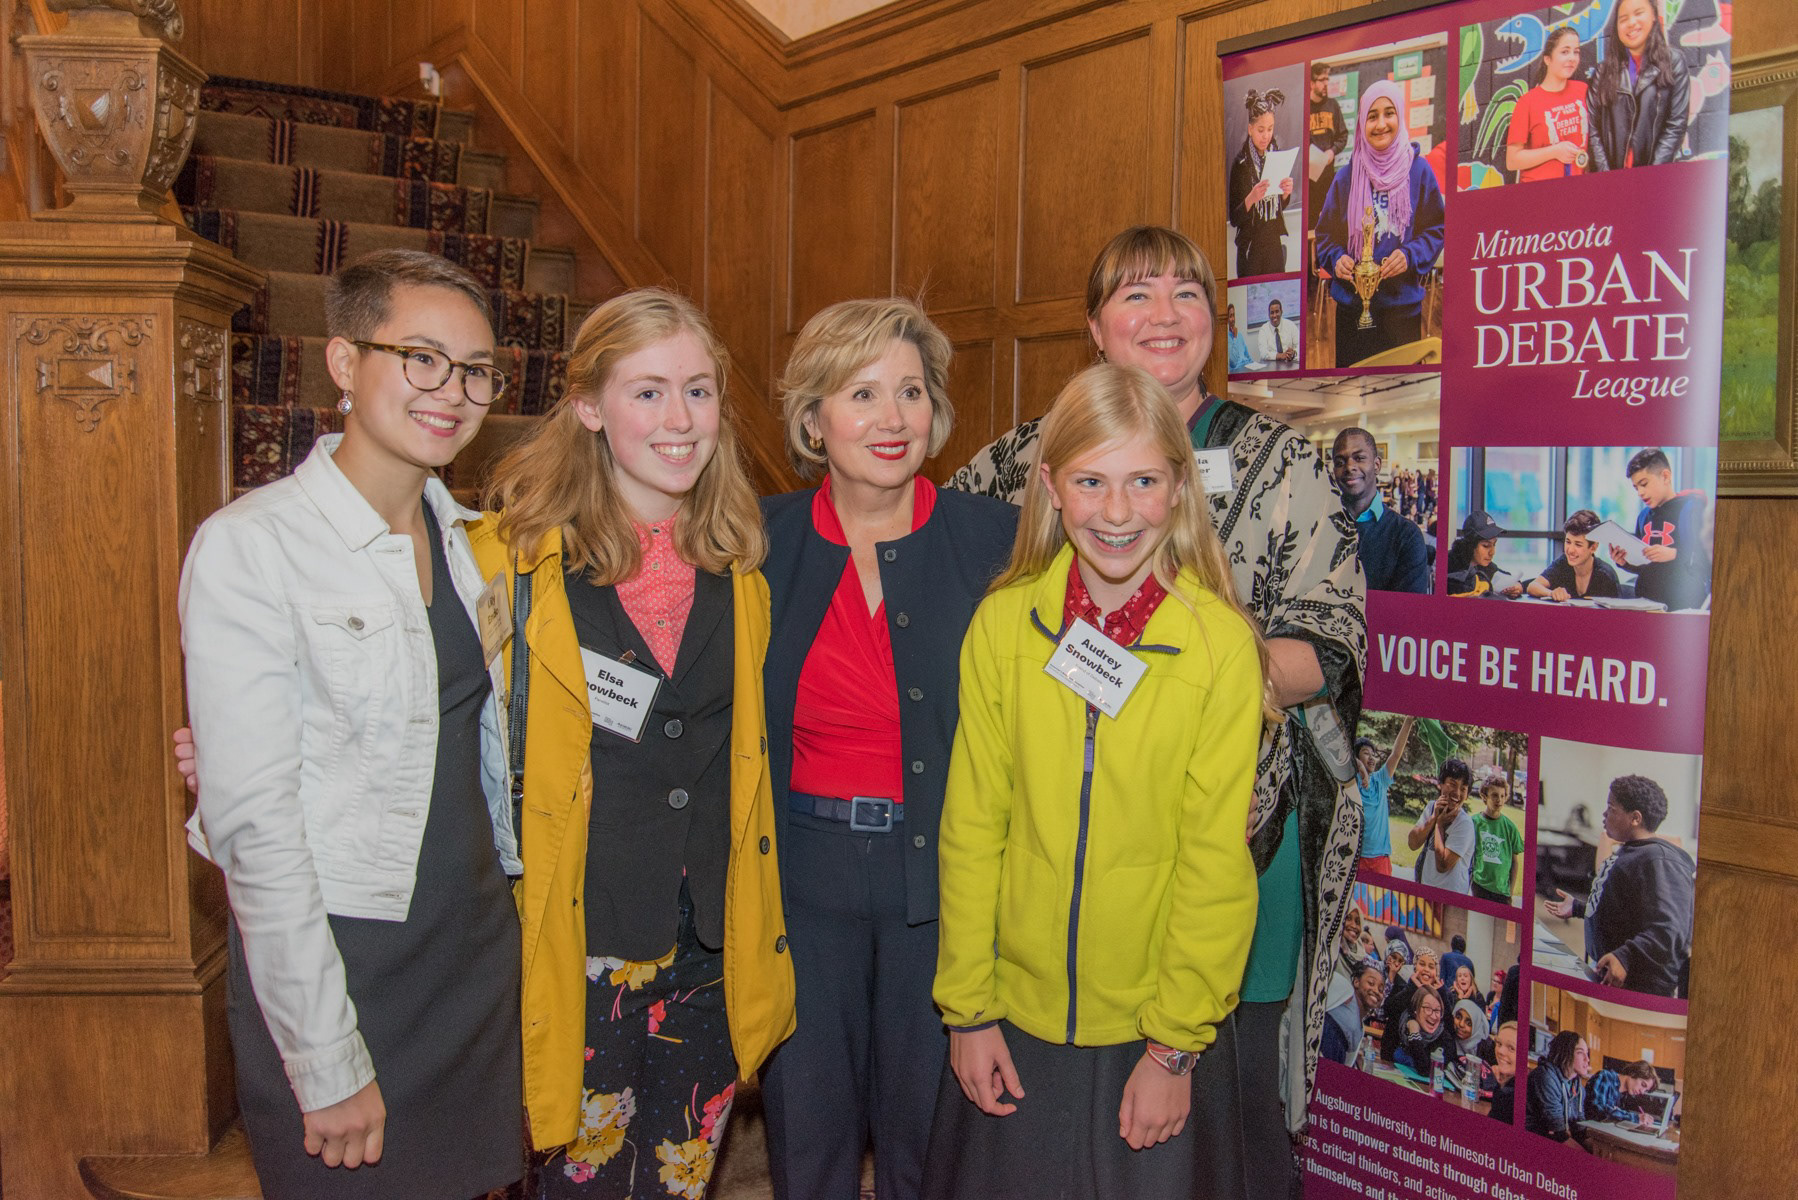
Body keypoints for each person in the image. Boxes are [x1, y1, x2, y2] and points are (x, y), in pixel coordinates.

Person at [948, 226, 1364, 1192]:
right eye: (1135, 295)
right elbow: (957, 575)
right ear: (1095, 328)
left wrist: (1187, 669)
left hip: (1232, 823)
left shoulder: (1283, 461)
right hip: (1050, 855)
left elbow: (1334, 646)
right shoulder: (1029, 452)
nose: (1164, 314)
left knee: (1220, 1124)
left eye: (1185, 293)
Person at [178, 250, 527, 1197]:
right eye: (421, 358)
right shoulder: (253, 547)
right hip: (345, 957)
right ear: (343, 361)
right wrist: (324, 1056)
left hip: (469, 947)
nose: (452, 392)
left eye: (476, 370)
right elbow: (257, 829)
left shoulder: (470, 542)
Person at [475, 288, 795, 1195]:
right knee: (577, 1182)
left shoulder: (746, 567)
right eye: (647, 392)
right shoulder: (512, 560)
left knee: (678, 1179)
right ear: (588, 406)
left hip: (712, 947)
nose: (679, 419)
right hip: (581, 939)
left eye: (698, 390)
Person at [925, 363, 1270, 1199]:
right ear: (1050, 488)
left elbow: (1214, 864)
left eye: (1143, 481)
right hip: (1014, 1014)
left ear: (1179, 490)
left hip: (1151, 1025)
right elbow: (972, 827)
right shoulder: (1003, 625)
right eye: (1091, 482)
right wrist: (968, 1010)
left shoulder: (1220, 648)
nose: (1117, 512)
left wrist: (1173, 1047)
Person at [756, 299, 1018, 1200]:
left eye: (910, 391)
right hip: (801, 884)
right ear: (814, 419)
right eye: (861, 393)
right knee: (808, 1145)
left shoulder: (998, 540)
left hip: (944, 884)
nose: (892, 416)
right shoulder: (756, 541)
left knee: (931, 1148)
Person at [1314, 80, 1447, 365]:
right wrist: (1337, 259)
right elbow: (1325, 237)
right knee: (1352, 387)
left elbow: (1437, 229)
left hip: (1401, 311)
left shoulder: (1419, 171)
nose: (1381, 124)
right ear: (1362, 123)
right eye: (1372, 116)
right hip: (1352, 313)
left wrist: (1409, 255)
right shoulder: (1346, 177)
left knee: (1399, 388)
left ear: (1400, 115)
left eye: (1389, 113)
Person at [1545, 775, 1695, 996]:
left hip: (1638, 986)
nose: (1604, 814)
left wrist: (1626, 956)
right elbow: (1625, 909)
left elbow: (1669, 928)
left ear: (1635, 818)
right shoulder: (1634, 852)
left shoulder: (1660, 860)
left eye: (1611, 808)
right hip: (1612, 973)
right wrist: (1579, 907)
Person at [1587, 0, 1691, 172]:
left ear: (1653, 16)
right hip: (1612, 179)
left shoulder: (1674, 62)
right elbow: (1593, 130)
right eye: (1623, 19)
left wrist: (1650, 176)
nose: (1631, 23)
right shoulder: (1602, 72)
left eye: (1638, 13)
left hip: (1654, 178)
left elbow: (1676, 125)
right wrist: (1607, 177)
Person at [1610, 447, 1711, 610]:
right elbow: (1644, 565)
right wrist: (1624, 562)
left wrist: (1674, 554)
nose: (1640, 492)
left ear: (1665, 476)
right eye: (1636, 487)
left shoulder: (1692, 509)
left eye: (1644, 484)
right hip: (1645, 604)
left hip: (1682, 606)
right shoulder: (1643, 516)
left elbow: (1706, 558)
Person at [1334, 428, 1429, 593]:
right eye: (1340, 462)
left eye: (1359, 458)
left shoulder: (1406, 536)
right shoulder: (1317, 529)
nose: (1349, 467)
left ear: (1377, 465)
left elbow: (1409, 606)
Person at [1505, 26, 1592, 182]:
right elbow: (1512, 161)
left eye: (1576, 52)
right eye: (1565, 52)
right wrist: (1554, 151)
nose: (1572, 58)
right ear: (1547, 59)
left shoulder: (1583, 90)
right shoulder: (1528, 102)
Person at [1229, 88, 1295, 277]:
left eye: (1270, 129)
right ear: (1250, 129)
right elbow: (1234, 218)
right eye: (1260, 130)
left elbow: (1279, 205)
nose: (1266, 135)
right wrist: (1251, 198)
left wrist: (1285, 194)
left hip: (1273, 241)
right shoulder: (1240, 163)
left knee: (1277, 287)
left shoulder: (1276, 154)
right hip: (1250, 245)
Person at [1354, 714, 1415, 875]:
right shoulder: (1351, 781)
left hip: (1380, 859)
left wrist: (1408, 721)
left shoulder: (1380, 780)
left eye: (1373, 754)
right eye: (1366, 753)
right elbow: (1341, 755)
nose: (1372, 758)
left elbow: (1396, 754)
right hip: (1357, 857)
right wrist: (1360, 768)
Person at [1408, 759, 1476, 894]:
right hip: (1426, 889)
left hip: (1450, 897)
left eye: (1463, 789)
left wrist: (1439, 825)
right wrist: (1433, 817)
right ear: (1441, 784)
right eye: (1452, 784)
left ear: (1467, 795)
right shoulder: (1431, 807)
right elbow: (1413, 843)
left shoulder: (1464, 824)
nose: (1457, 793)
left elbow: (1443, 865)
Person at [1527, 509, 1621, 601]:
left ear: (1593, 547)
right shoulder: (1563, 563)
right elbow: (1533, 586)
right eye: (1568, 542)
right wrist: (1551, 593)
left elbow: (1615, 610)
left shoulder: (1605, 575)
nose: (1570, 550)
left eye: (1578, 544)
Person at [1379, 949, 1450, 1063]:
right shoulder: (1403, 984)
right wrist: (1411, 988)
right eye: (1422, 964)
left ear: (1436, 972)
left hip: (1423, 1059)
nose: (1426, 969)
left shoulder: (1442, 994)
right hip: (1393, 1054)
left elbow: (1448, 1024)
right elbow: (1388, 1009)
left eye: (1431, 967)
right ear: (1415, 967)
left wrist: (1441, 993)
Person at [1470, 776, 1526, 904]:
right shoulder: (1474, 823)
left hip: (1502, 892)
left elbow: (1515, 862)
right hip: (1479, 886)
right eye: (1494, 795)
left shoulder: (1510, 827)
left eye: (1502, 796)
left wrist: (1510, 892)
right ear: (1484, 796)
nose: (1499, 800)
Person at [1525, 1032, 1589, 1141]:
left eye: (1587, 1053)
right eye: (1580, 1053)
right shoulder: (1546, 1076)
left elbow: (1579, 1128)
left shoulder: (1579, 1087)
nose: (1587, 1059)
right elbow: (1558, 1133)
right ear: (1565, 1053)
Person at [1446, 510, 1522, 598]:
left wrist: (1517, 587)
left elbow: (1505, 577)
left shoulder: (1481, 564)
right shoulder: (1448, 564)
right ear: (1470, 544)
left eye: (1494, 544)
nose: (1492, 552)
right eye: (1486, 546)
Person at [1322, 961, 1386, 1066]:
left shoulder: (1360, 1028)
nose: (1376, 991)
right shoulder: (1343, 990)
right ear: (1356, 982)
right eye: (1371, 983)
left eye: (1381, 989)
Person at [1307, 62, 1348, 215]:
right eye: (1322, 80)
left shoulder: (1333, 105)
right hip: (1309, 180)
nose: (1326, 83)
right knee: (1311, 219)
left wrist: (1332, 151)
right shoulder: (1305, 108)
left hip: (1328, 176)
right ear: (1311, 83)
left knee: (1330, 215)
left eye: (1327, 79)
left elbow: (1343, 135)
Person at [1395, 987, 1457, 1074]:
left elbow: (1425, 1069)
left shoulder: (1446, 1040)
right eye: (1428, 1009)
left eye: (1437, 1010)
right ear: (1415, 1009)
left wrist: (1414, 1033)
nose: (1433, 1016)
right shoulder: (1403, 1027)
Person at [1586, 1060, 1661, 1124]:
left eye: (1646, 1090)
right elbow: (1600, 1109)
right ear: (1633, 1073)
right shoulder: (1605, 1077)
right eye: (1643, 1084)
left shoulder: (1625, 1095)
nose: (1642, 1092)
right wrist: (1635, 1117)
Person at [1485, 1022, 1520, 1122]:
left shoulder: (1513, 1095)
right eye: (1499, 1044)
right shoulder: (1502, 1084)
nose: (1500, 1051)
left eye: (1511, 1048)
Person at [1254, 297, 1300, 366]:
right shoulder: (1263, 330)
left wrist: (1294, 353)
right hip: (1271, 366)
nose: (1274, 315)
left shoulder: (1291, 325)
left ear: (1281, 312)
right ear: (1268, 314)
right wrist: (1280, 355)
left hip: (1289, 364)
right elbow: (1263, 353)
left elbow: (1300, 345)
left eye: (1277, 311)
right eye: (1272, 313)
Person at [1225, 302, 1254, 371]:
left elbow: (1247, 355)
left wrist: (1254, 365)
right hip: (1237, 370)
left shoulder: (1240, 335)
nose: (1233, 319)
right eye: (1230, 316)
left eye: (1233, 315)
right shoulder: (1226, 338)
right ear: (1227, 319)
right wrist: (1235, 337)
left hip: (1247, 366)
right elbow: (1233, 362)